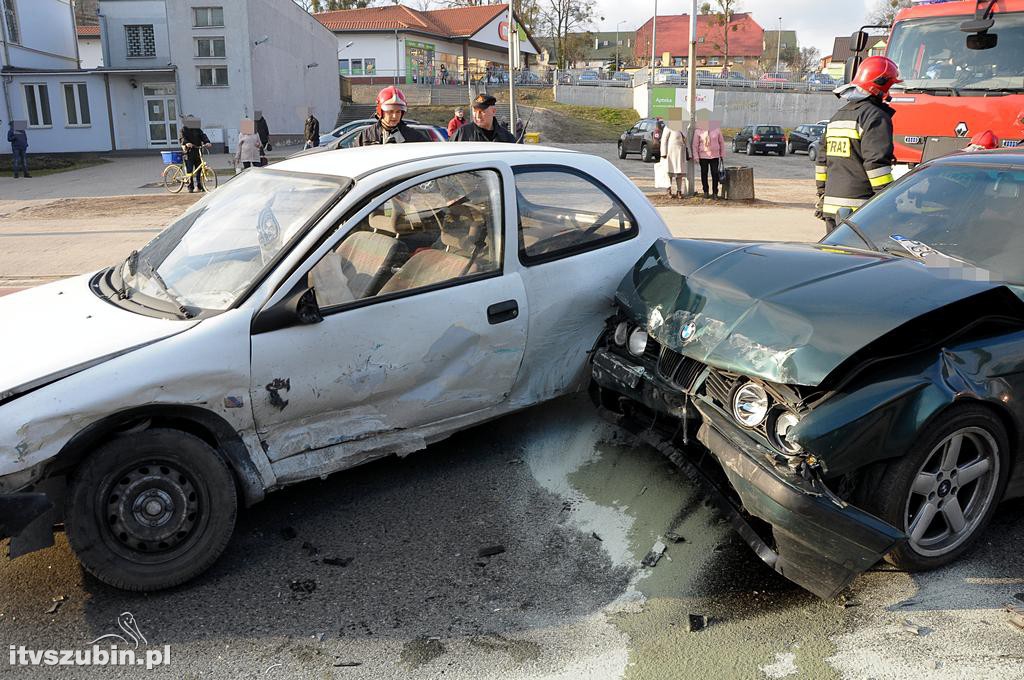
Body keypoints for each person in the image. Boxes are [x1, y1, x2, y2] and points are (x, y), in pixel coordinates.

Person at [815, 55, 900, 234]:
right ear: (882, 85)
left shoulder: (837, 116)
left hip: (831, 207)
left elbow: (821, 162)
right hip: (860, 211)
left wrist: (822, 193)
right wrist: (887, 200)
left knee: (833, 251)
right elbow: (876, 165)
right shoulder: (874, 117)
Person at [355, 86, 429, 145]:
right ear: (381, 112)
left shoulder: (415, 137)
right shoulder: (365, 137)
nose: (394, 116)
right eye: (390, 111)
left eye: (398, 112)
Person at [449, 94, 516, 143]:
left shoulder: (507, 137)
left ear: (493, 111)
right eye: (475, 111)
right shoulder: (463, 133)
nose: (478, 116)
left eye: (482, 111)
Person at [692, 124, 726, 198]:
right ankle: (705, 191)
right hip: (703, 156)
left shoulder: (716, 129)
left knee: (715, 174)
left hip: (715, 156)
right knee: (704, 173)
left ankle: (715, 192)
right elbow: (695, 145)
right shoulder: (698, 131)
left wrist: (722, 154)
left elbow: (721, 143)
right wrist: (696, 156)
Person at [178, 120, 211, 192]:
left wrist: (207, 142)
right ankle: (190, 186)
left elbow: (203, 135)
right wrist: (187, 143)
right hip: (188, 153)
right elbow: (182, 138)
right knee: (189, 170)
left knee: (199, 170)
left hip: (197, 151)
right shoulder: (183, 129)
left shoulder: (197, 129)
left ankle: (199, 185)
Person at [660, 121, 687, 198]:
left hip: (680, 154)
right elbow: (664, 140)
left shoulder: (683, 127)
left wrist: (690, 153)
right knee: (669, 173)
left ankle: (679, 191)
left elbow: (686, 141)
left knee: (679, 173)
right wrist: (663, 153)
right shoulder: (668, 127)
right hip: (670, 154)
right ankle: (669, 190)